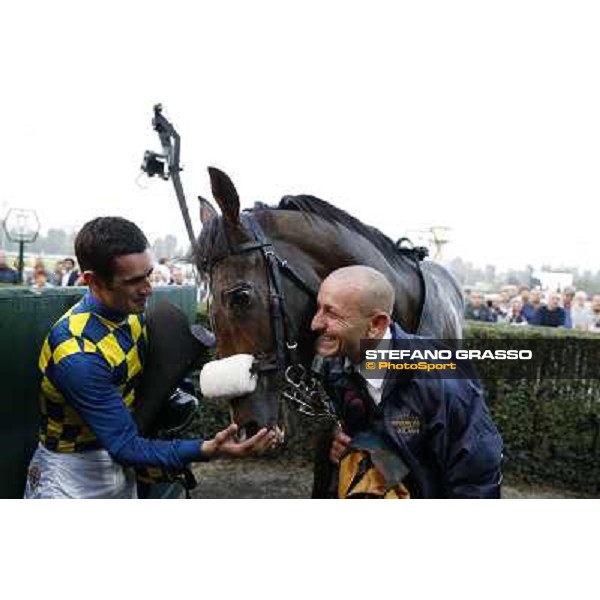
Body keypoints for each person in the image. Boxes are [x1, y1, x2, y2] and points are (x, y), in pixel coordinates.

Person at [24, 216, 275, 499]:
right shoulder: (77, 353)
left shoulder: (132, 316)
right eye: (133, 281)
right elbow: (126, 446)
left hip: (119, 469)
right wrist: (209, 448)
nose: (148, 288)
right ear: (93, 281)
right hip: (71, 478)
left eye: (148, 274)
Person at [312, 266, 503, 499]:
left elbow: (476, 481)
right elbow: (386, 447)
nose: (315, 324)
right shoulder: (335, 367)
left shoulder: (444, 382)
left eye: (331, 314)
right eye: (318, 309)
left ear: (376, 325)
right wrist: (353, 447)